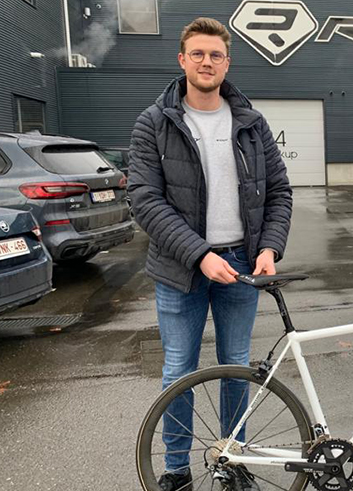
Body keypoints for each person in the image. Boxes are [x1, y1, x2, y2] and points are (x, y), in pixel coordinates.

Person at [128, 17, 292, 491]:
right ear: (182, 60)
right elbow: (145, 199)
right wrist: (199, 254)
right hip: (180, 268)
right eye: (197, 54)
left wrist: (268, 247)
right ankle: (177, 469)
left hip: (241, 265)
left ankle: (233, 460)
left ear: (227, 62)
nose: (206, 62)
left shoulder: (251, 122)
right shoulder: (154, 122)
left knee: (236, 364)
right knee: (179, 368)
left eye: (215, 54)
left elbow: (279, 192)